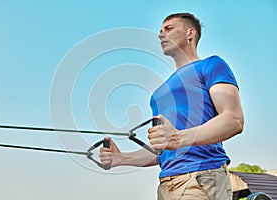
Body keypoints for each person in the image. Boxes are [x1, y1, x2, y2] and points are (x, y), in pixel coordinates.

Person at [99, 13, 244, 200]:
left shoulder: (211, 65)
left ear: (190, 33)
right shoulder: (158, 94)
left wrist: (178, 137)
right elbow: (162, 150)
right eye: (159, 31)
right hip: (166, 185)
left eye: (169, 29)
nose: (161, 35)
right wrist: (121, 159)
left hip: (201, 177)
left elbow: (234, 120)